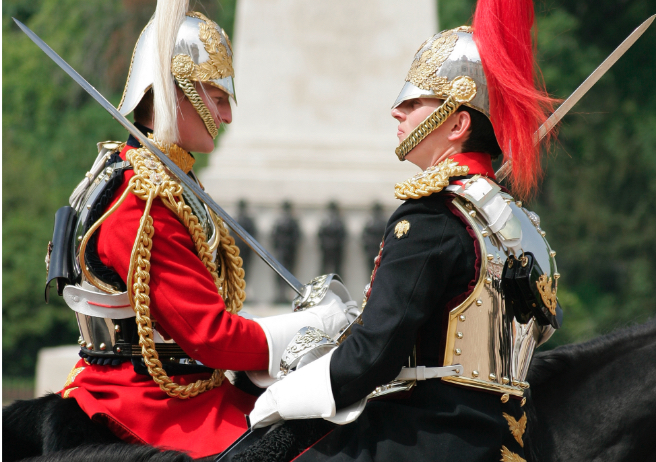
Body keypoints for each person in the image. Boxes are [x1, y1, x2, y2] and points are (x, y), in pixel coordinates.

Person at [3, 2, 355, 460]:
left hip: (182, 389)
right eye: (218, 97)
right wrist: (309, 327)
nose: (227, 116)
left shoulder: (155, 178)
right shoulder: (142, 199)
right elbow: (211, 337)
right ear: (177, 93)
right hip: (153, 407)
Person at [248, 0, 563, 460]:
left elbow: (374, 358)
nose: (397, 112)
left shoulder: (433, 217)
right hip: (509, 441)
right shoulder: (517, 226)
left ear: (456, 123)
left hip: (426, 436)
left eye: (414, 103)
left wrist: (287, 392)